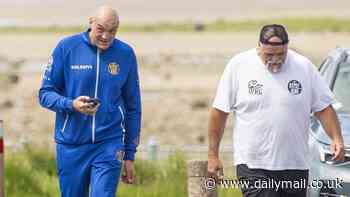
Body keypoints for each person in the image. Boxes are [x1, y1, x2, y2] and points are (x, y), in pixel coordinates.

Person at [207, 24, 345, 197]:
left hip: (296, 165)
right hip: (253, 164)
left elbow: (323, 108)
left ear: (287, 47)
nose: (275, 59)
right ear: (259, 46)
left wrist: (336, 138)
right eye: (269, 55)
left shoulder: (303, 66)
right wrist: (213, 155)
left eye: (281, 54)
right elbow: (219, 112)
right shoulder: (239, 66)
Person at [38, 6, 141, 197]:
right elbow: (45, 94)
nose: (106, 36)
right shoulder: (66, 48)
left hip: (109, 143)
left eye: (112, 31)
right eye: (101, 29)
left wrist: (130, 154)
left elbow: (134, 107)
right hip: (71, 144)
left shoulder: (126, 54)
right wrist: (71, 104)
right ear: (90, 22)